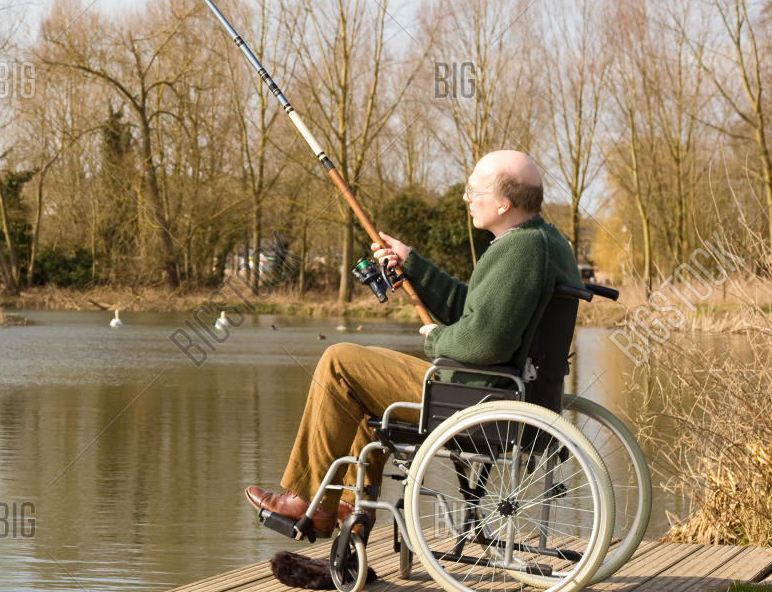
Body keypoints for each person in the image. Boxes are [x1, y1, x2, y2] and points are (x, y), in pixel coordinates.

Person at [244, 149, 583, 536]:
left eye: (474, 189)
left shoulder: (521, 250)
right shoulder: (541, 240)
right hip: (495, 390)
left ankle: (310, 499)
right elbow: (468, 308)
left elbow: (485, 343)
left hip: (479, 397)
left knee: (340, 363)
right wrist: (412, 263)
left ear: (504, 203)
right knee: (360, 383)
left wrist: (438, 338)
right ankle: (348, 509)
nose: (466, 197)